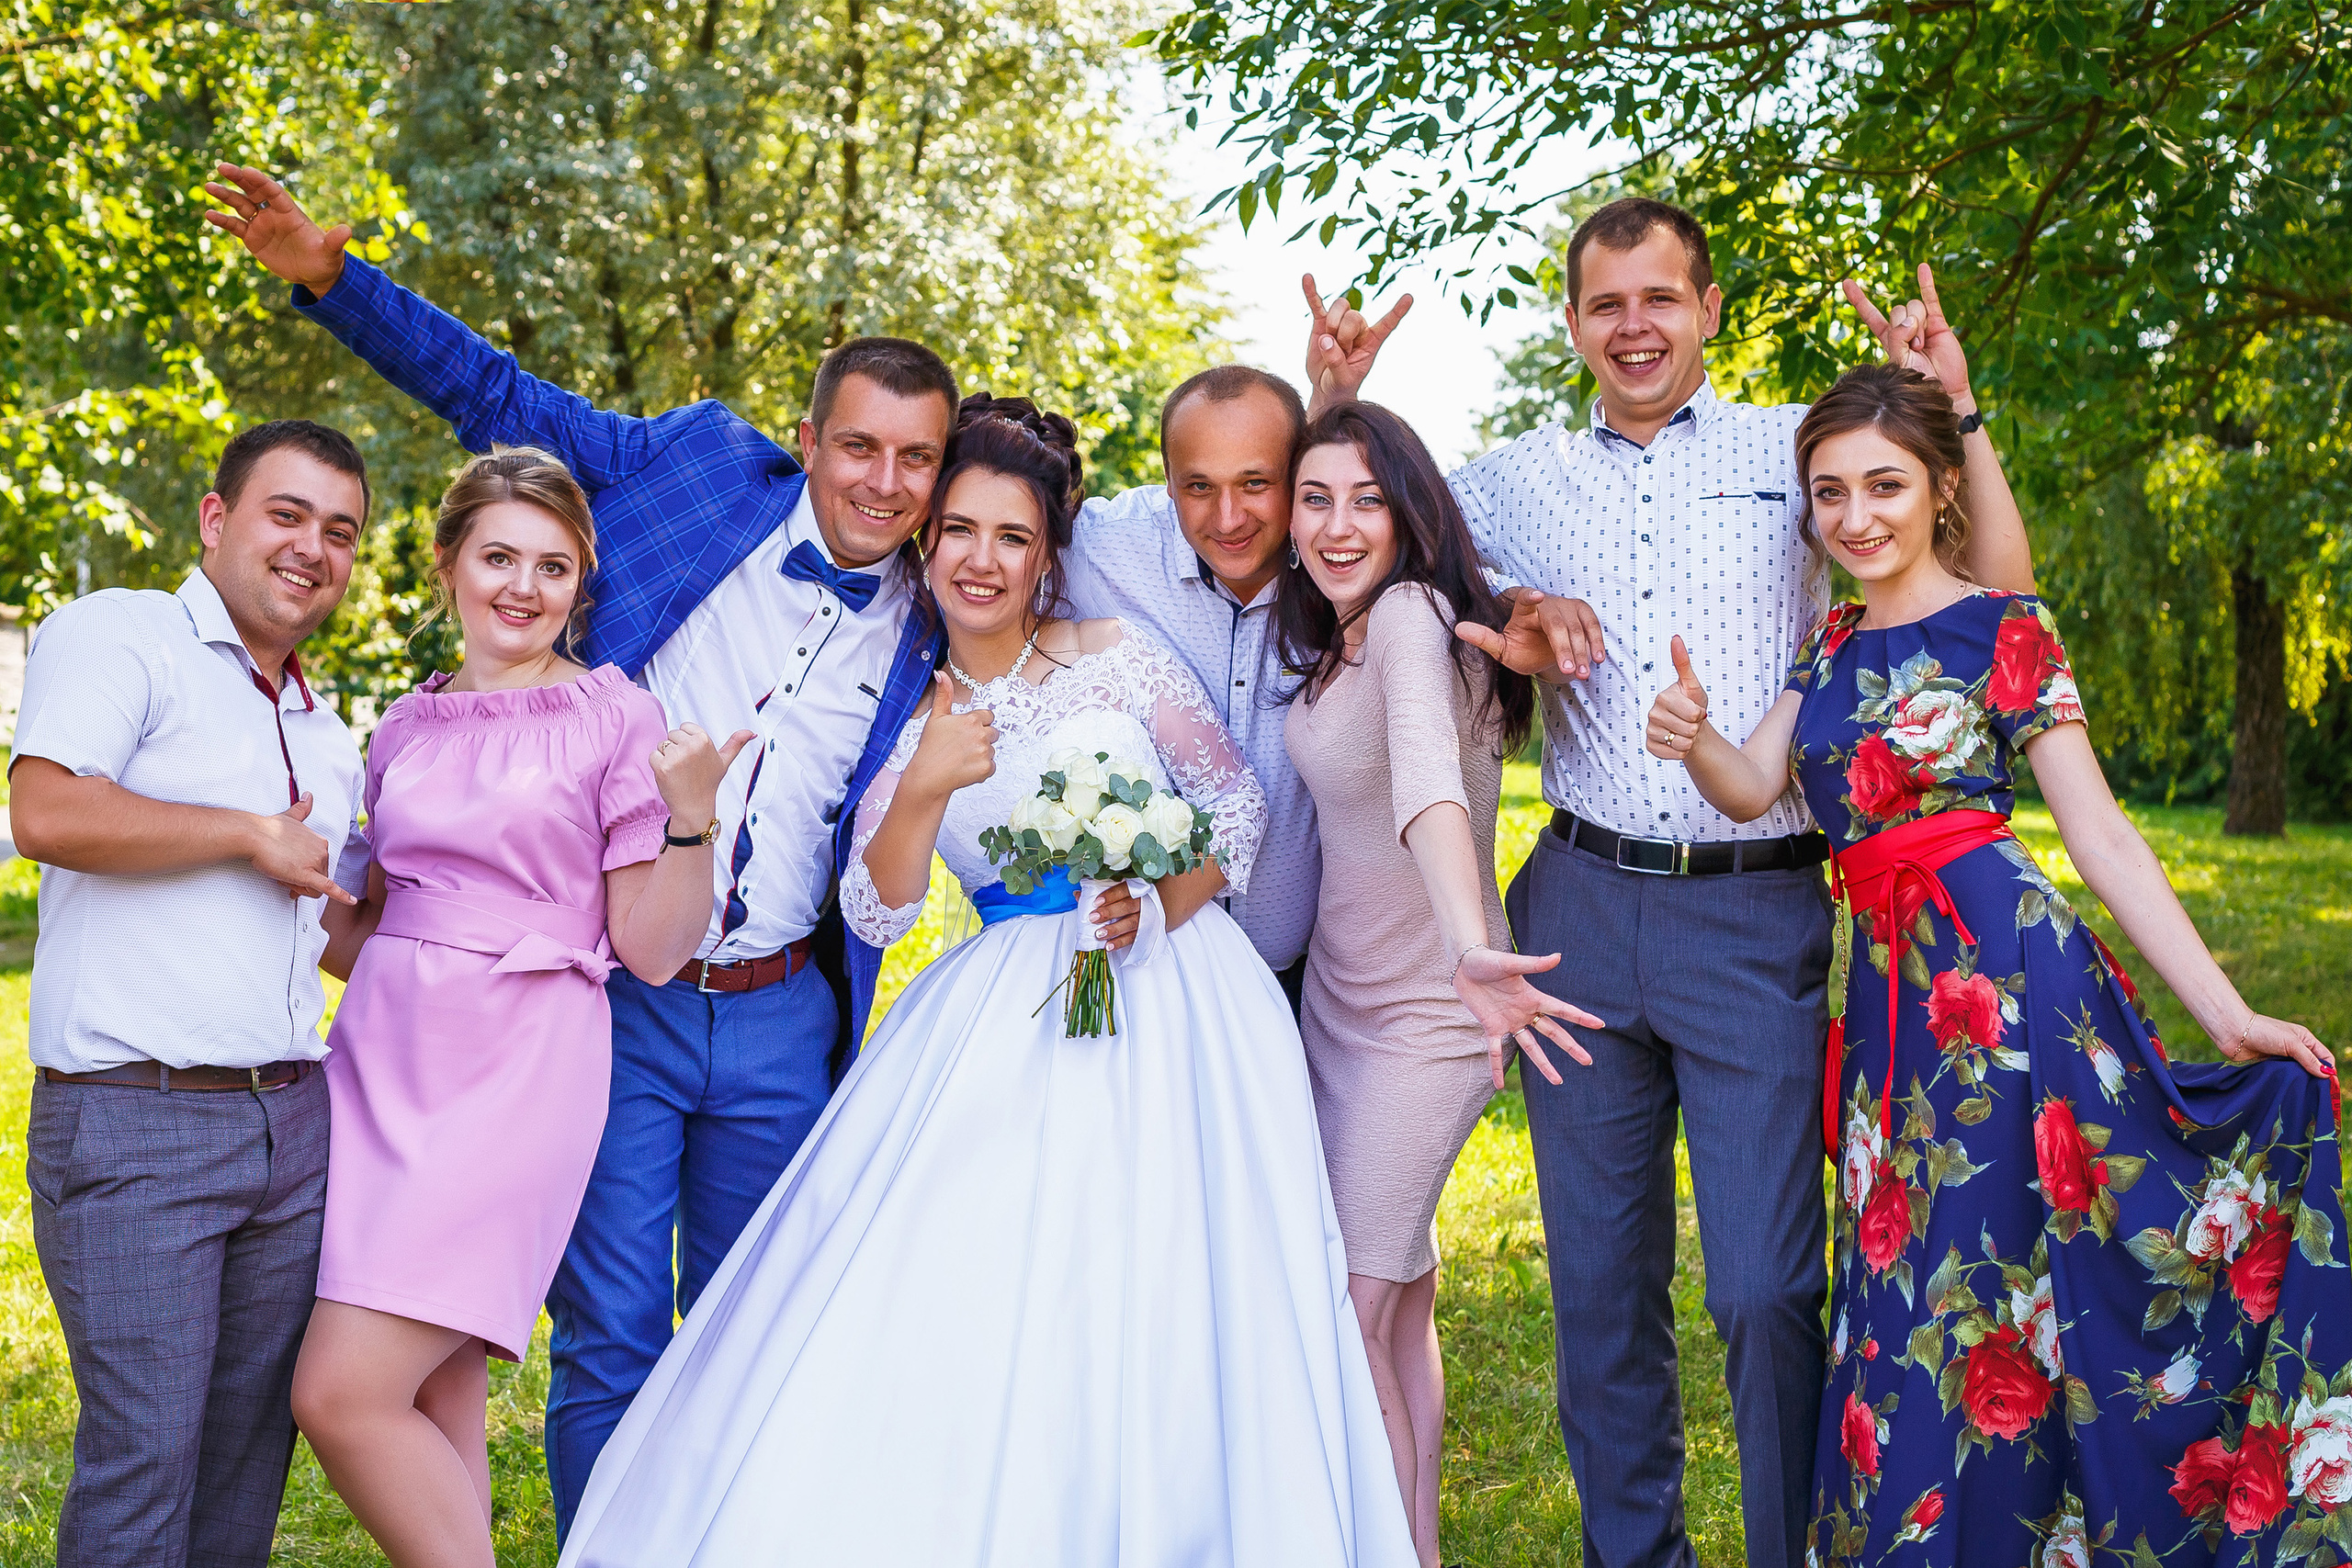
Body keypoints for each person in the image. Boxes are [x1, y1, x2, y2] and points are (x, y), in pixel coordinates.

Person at [202, 163, 954, 1537]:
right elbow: (497, 401)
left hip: (788, 1003)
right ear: (807, 436)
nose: (885, 482)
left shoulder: (939, 604)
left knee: (750, 1324)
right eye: (859, 446)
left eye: (916, 458)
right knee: (608, 1334)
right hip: (613, 991)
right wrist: (329, 279)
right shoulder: (699, 468)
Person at [557, 397, 1421, 1566]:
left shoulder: (1115, 659)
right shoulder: (906, 708)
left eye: (1011, 537)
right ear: (930, 542)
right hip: (1003, 1000)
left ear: (1046, 555)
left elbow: (1234, 806)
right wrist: (921, 788)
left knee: (1171, 1279)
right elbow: (875, 906)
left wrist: (1153, 902)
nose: (981, 559)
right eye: (958, 530)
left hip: (1174, 993)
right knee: (976, 1276)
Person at [1310, 198, 2036, 1567]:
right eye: (1604, 303)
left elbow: (1991, 594)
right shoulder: (1514, 475)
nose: (1632, 325)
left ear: (1708, 309)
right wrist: (1336, 399)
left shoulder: (1799, 454)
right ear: (1572, 322)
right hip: (1577, 907)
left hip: (1755, 905)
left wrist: (1961, 408)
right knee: (1597, 1290)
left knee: (1767, 1287)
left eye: (1660, 298)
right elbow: (1351, 524)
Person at [1646, 362, 2346, 1563]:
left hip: (2009, 992)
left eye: (1884, 484)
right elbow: (1757, 785)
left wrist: (2229, 1017)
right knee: (1910, 1287)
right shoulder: (1827, 642)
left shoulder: (2003, 626)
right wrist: (1694, 734)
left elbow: (2104, 835)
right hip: (1887, 1017)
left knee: (1988, 1283)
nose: (1856, 514)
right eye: (1830, 492)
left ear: (1938, 489)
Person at [285, 448, 750, 1567]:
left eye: (552, 566)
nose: (522, 587)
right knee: (436, 1388)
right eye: (498, 556)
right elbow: (363, 928)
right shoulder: (400, 728)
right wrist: (258, 871)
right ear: (448, 564)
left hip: (518, 1067)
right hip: (381, 1063)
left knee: (339, 1393)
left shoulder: (618, 719)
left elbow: (647, 948)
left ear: (580, 583)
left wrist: (691, 823)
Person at [8, 421, 371, 1568]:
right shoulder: (121, 634)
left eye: (341, 531)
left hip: (291, 1126)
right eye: (287, 514)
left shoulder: (329, 737)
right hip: (133, 1121)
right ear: (216, 519)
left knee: (241, 1463)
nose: (312, 547)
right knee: (146, 1456)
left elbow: (333, 931)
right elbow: (46, 814)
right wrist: (242, 837)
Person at [1278, 400, 1603, 1567]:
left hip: (1429, 1012)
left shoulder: (1414, 615)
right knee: (1400, 1300)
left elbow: (1429, 786)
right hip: (1337, 1011)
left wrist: (1471, 942)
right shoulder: (1337, 632)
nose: (1336, 524)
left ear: (1411, 513)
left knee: (1348, 1308)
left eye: (1368, 499)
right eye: (1314, 498)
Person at [1061, 359, 1396, 1010]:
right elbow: (989, 550)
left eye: (1255, 483)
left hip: (1309, 979)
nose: (1228, 516)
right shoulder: (1102, 548)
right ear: (1167, 482)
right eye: (1198, 487)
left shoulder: (1348, 558)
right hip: (1146, 972)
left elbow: (1450, 582)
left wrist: (1527, 602)